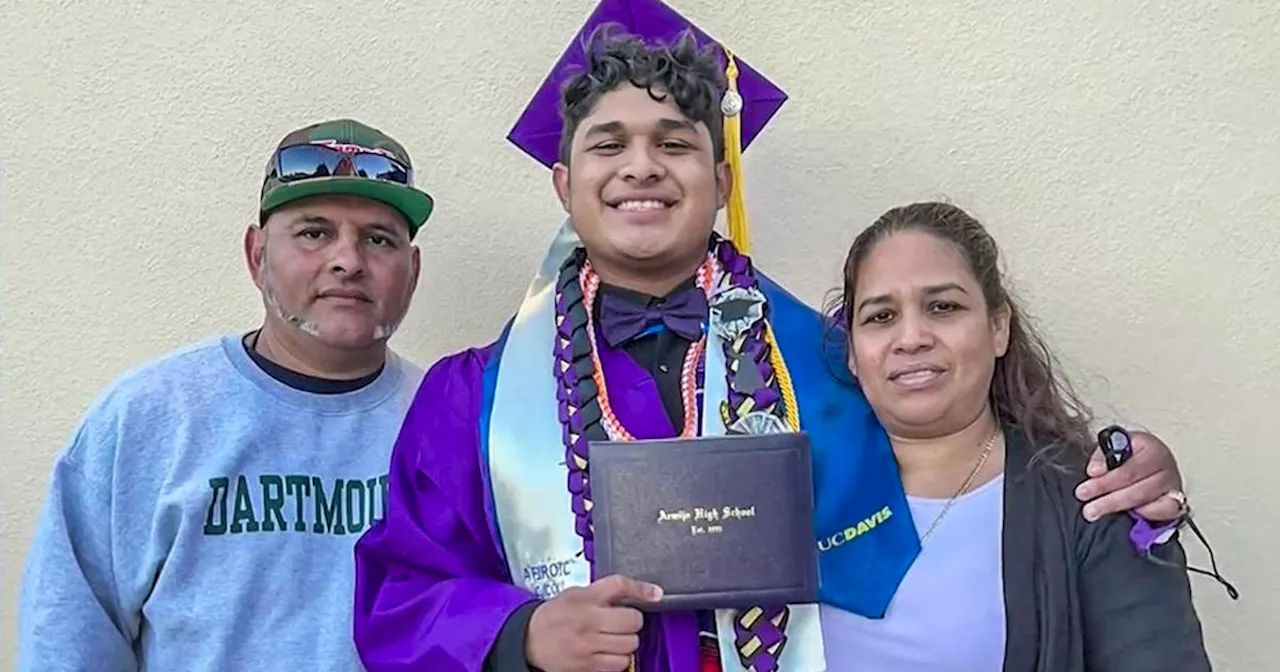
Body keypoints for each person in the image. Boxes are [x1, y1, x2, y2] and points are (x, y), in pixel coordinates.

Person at [352, 4, 1191, 671]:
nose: (641, 166)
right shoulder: (479, 399)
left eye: (674, 144)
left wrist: (1125, 470)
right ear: (566, 183)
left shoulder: (827, 363)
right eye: (609, 145)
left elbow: (975, 444)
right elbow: (400, 589)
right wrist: (517, 636)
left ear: (720, 180)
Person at [16, 118, 434, 671]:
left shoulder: (452, 421)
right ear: (256, 254)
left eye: (379, 239)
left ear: (413, 270)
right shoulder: (147, 420)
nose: (348, 260)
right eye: (314, 232)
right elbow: (65, 645)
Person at [821, 201, 1222, 671]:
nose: (911, 337)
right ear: (851, 350)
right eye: (880, 317)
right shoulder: (799, 491)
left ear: (998, 328)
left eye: (943, 307)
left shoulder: (1095, 503)